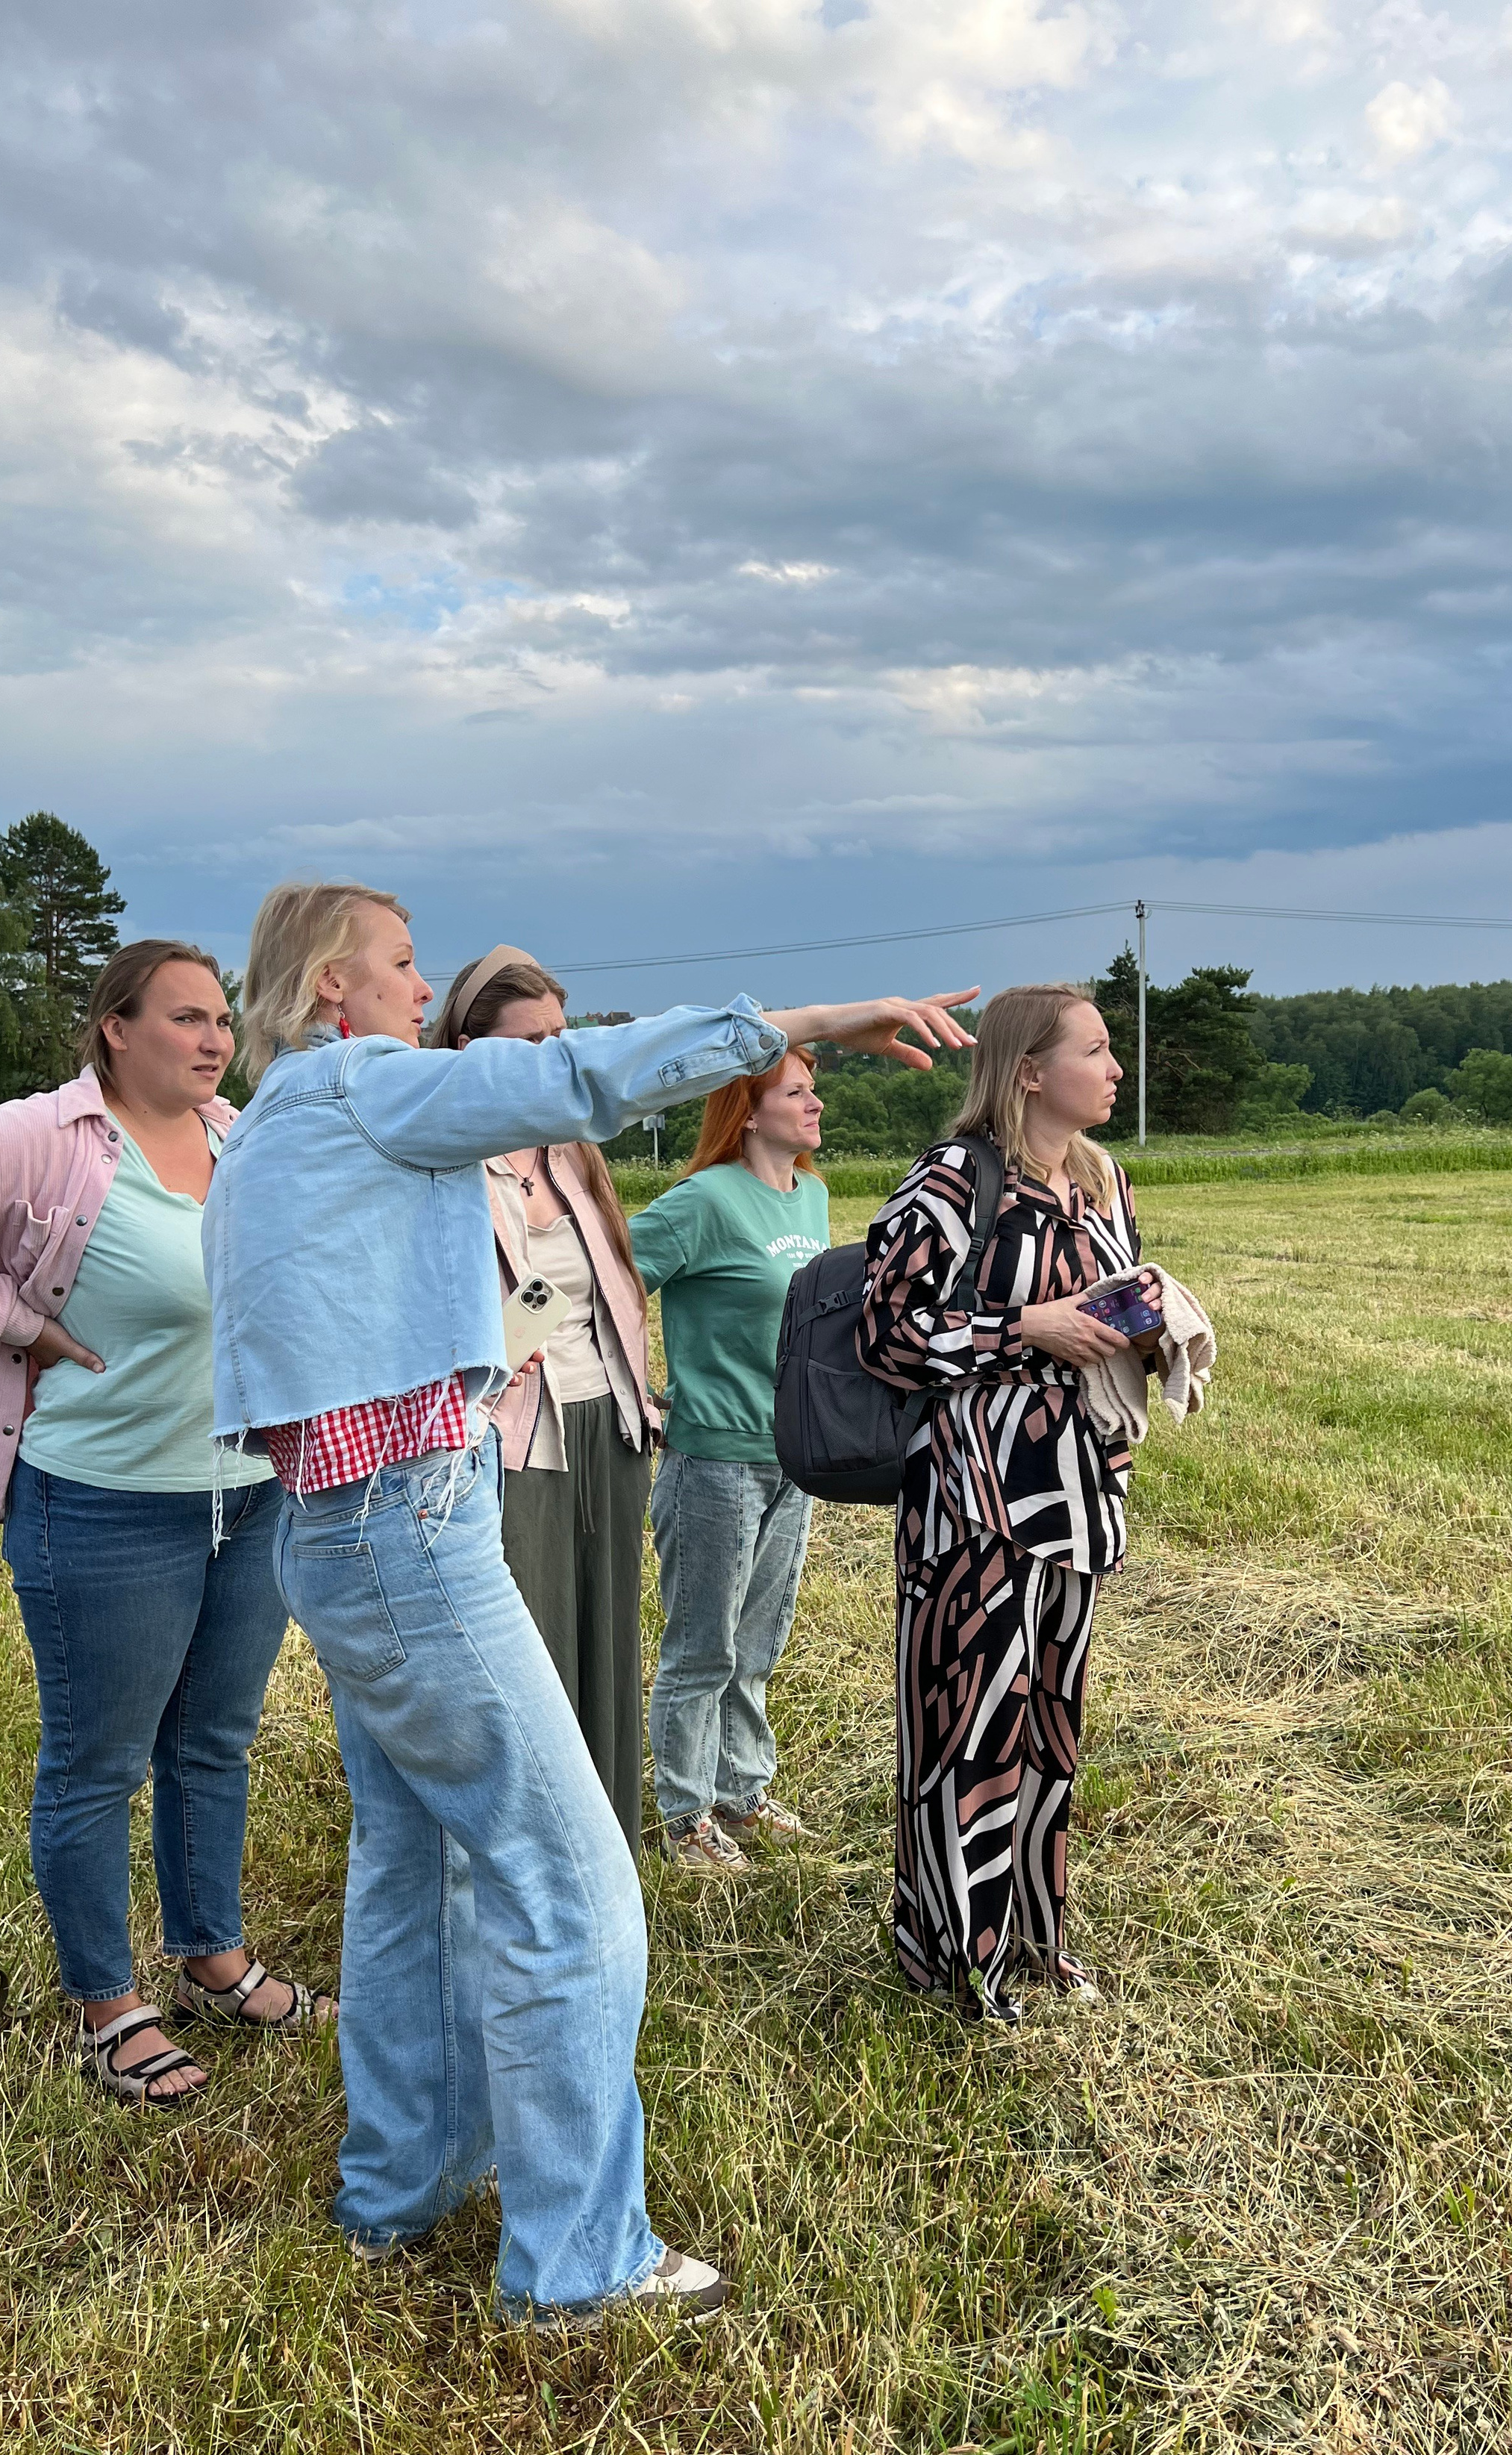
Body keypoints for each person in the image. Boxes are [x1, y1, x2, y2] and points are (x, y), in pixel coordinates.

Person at [203, 874, 972, 2316]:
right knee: (573, 1883)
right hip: (408, 1526)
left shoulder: (268, 1132)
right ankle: (576, 2259)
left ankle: (403, 2181)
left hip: (338, 1528)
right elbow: (573, 1074)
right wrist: (796, 1024)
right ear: (331, 990)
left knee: (414, 1862)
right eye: (403, 963)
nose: (419, 991)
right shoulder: (364, 1086)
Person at [0, 943, 326, 2107]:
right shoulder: (40, 1140)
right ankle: (108, 2004)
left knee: (214, 1743)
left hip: (246, 1495)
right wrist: (11, 1320)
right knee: (97, 1766)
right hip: (100, 1504)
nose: (215, 1040)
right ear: (115, 1026)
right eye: (187, 1019)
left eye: (222, 1022)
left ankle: (211, 1956)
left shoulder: (236, 1138)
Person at [856, 984, 1159, 2028]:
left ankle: (1036, 1940)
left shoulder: (1107, 1182)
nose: (1116, 1066)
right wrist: (1025, 1328)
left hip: (1077, 1498)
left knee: (1049, 1733)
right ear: (1029, 1070)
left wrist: (1147, 1324)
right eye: (1097, 1048)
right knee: (966, 1735)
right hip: (974, 1505)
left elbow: (1100, 1309)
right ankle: (953, 1962)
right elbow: (888, 1336)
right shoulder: (952, 1179)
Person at [430, 944, 660, 1858]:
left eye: (561, 1038)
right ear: (466, 1045)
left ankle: (604, 1842)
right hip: (511, 1434)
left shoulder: (573, 1146)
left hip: (606, 1415)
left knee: (609, 1635)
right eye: (529, 1041)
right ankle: (530, 1849)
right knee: (529, 1649)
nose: (552, 1059)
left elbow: (608, 1287)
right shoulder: (444, 1153)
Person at [628, 1046, 831, 1874]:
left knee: (758, 1639)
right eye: (795, 1089)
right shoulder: (701, 1201)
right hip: (712, 1458)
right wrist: (634, 1390)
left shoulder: (810, 1194)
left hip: (791, 1453)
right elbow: (604, 1282)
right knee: (702, 1644)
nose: (814, 1100)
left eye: (814, 1086)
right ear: (745, 1111)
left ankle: (740, 1792)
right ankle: (684, 1816)